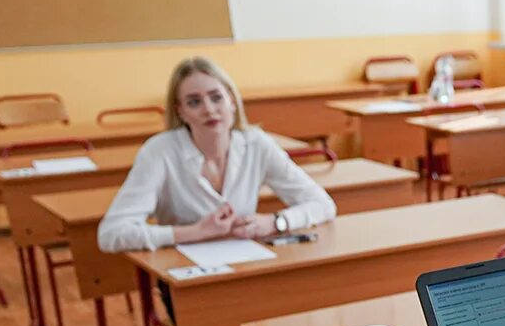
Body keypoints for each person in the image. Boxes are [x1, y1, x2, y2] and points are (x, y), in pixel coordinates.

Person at [98, 56, 336, 254]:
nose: (209, 110)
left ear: (232, 101)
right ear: (180, 112)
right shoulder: (159, 152)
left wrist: (275, 222)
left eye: (216, 97)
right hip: (183, 272)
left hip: (247, 262)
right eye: (194, 102)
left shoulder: (257, 143)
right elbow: (112, 234)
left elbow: (323, 205)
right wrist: (196, 232)